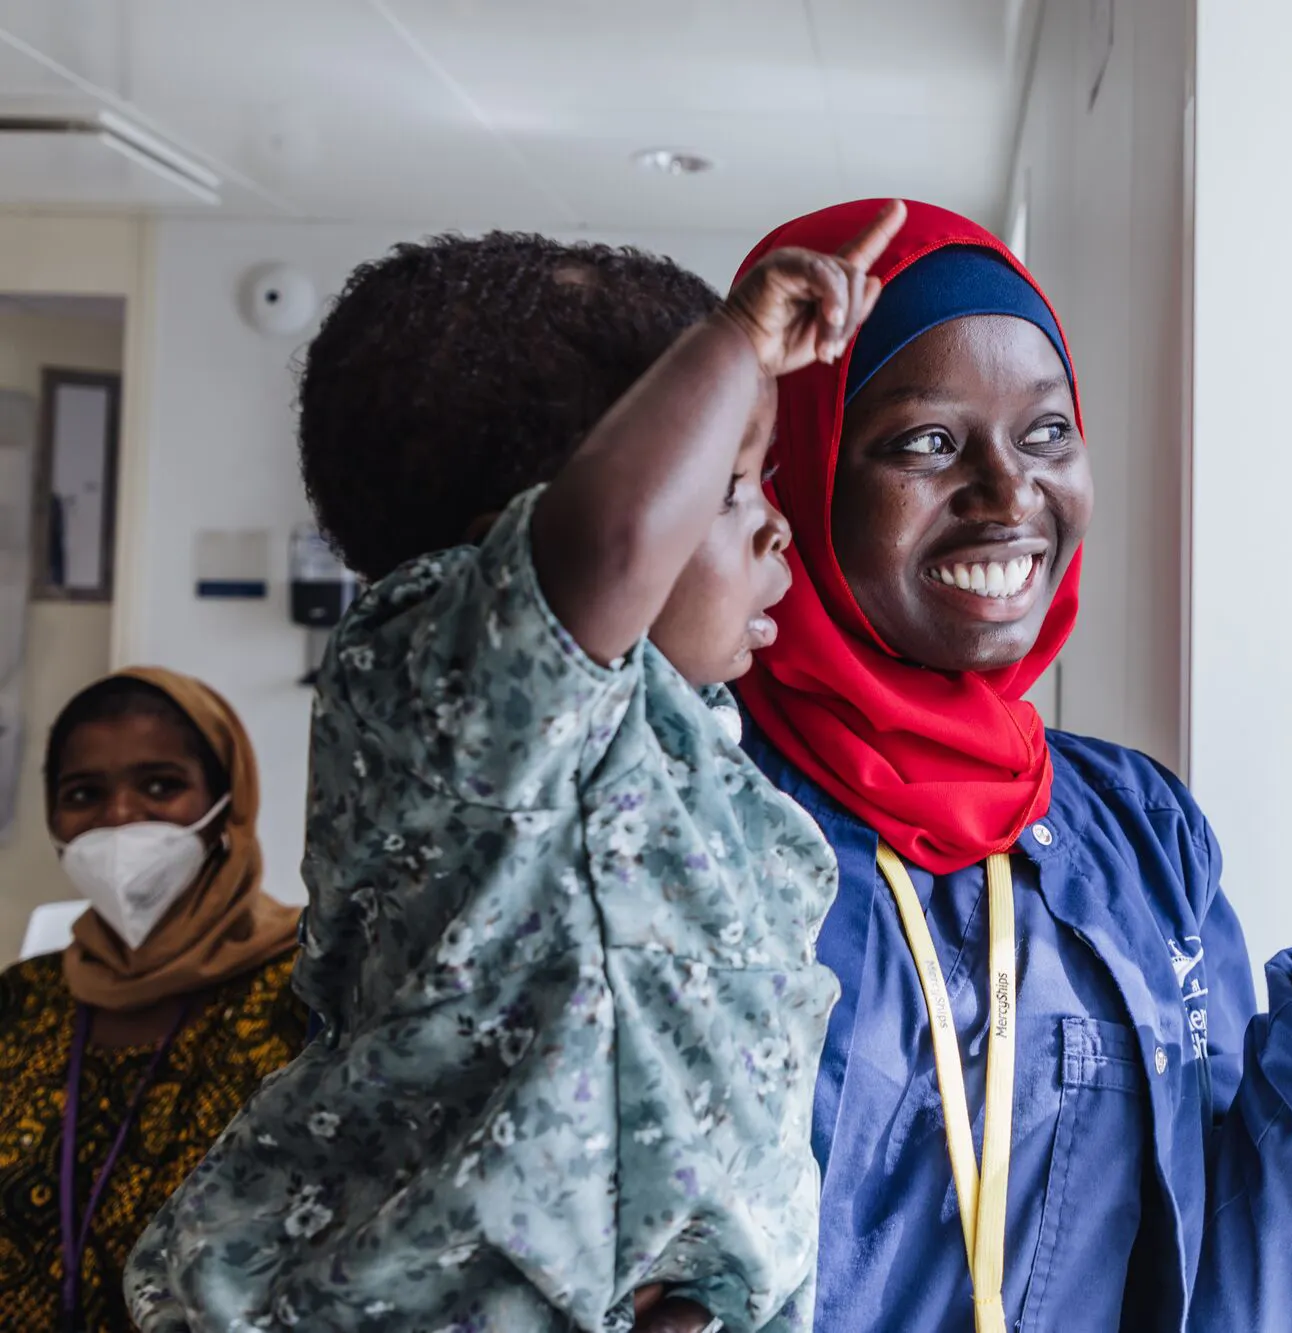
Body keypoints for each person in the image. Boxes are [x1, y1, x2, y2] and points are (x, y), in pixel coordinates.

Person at [729, 199, 1292, 1332]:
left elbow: (1244, 1300)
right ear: (795, 472)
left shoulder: (1131, 832)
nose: (1009, 494)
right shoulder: (696, 817)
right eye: (925, 441)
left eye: (1045, 433)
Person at [125, 216, 914, 1333]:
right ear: (514, 541)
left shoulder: (692, 752)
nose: (776, 527)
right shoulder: (452, 679)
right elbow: (604, 550)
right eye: (731, 488)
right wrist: (734, 341)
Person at [0, 667, 306, 1333]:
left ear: (229, 801)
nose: (119, 817)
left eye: (161, 785)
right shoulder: (21, 999)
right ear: (54, 818)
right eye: (84, 792)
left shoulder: (309, 992)